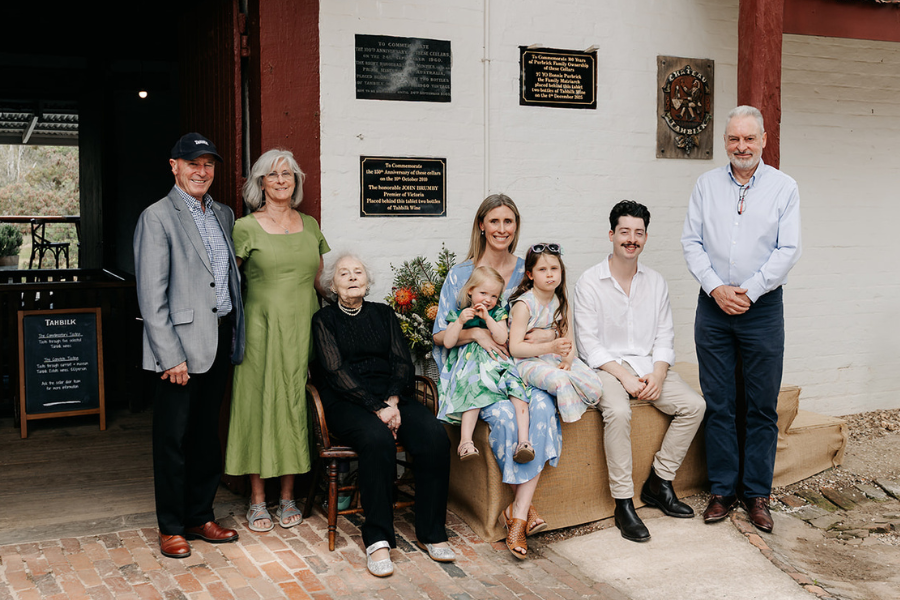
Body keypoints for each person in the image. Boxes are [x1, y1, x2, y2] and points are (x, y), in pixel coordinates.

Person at [682, 105, 801, 533]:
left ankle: (756, 495)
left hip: (762, 308)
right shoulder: (706, 185)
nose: (741, 146)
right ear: (726, 142)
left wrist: (748, 291)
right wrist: (717, 288)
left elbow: (788, 250)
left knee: (760, 406)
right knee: (719, 403)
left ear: (764, 140)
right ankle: (721, 490)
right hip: (712, 306)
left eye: (749, 138)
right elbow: (691, 241)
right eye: (734, 139)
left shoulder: (784, 188)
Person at [134, 133, 245, 559]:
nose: (202, 171)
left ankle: (200, 516)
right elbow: (151, 294)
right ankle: (172, 526)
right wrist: (170, 355)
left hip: (217, 340)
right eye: (192, 163)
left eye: (209, 165)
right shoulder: (157, 217)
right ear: (174, 166)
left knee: (204, 438)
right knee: (172, 440)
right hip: (177, 351)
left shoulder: (224, 214)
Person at [433, 193, 561, 560]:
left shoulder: (528, 269)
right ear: (481, 226)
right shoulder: (462, 274)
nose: (502, 229)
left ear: (516, 227)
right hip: (479, 372)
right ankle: (522, 513)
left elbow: (550, 317)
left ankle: (517, 513)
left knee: (542, 405)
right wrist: (476, 332)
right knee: (505, 416)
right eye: (495, 221)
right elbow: (441, 334)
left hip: (520, 366)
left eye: (509, 222)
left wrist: (542, 337)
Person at [312, 253, 455, 578]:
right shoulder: (324, 320)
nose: (351, 277)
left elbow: (402, 361)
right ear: (332, 284)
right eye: (344, 273)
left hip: (390, 396)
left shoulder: (383, 313)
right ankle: (377, 540)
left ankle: (433, 532)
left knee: (433, 436)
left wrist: (391, 401)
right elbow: (334, 371)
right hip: (346, 400)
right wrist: (376, 408)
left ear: (367, 280)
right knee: (376, 441)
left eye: (357, 272)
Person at [574, 200, 705, 543]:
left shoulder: (656, 282)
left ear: (645, 237)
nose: (631, 239)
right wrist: (625, 378)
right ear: (611, 234)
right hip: (606, 367)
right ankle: (623, 503)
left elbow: (665, 335)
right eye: (624, 232)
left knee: (695, 406)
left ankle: (659, 483)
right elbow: (589, 345)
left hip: (649, 364)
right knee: (617, 410)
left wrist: (659, 374)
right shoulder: (589, 282)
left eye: (638, 232)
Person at [224, 149, 329, 532]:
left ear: (296, 181)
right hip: (261, 332)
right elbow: (229, 285)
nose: (282, 179)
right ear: (260, 183)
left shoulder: (311, 225)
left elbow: (319, 282)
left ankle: (288, 497)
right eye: (273, 174)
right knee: (259, 406)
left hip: (303, 330)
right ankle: (256, 501)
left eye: (288, 173)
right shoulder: (244, 227)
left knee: (293, 405)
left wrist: (353, 302)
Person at [438, 266, 533, 464]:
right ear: (470, 290)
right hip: (471, 363)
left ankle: (524, 442)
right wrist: (459, 322)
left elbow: (501, 337)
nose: (488, 300)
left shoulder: (497, 313)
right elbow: (448, 342)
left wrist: (488, 318)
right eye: (483, 293)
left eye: (493, 296)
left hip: (496, 361)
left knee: (518, 389)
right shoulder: (459, 314)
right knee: (473, 390)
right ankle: (465, 442)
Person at [508, 243, 603, 423]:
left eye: (554, 268)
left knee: (595, 383)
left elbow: (568, 341)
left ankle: (573, 392)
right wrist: (551, 346)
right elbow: (515, 348)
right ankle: (570, 414)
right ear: (530, 275)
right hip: (528, 361)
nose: (550, 274)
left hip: (556, 357)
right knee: (560, 380)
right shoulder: (524, 305)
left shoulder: (561, 302)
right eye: (542, 269)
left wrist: (567, 361)